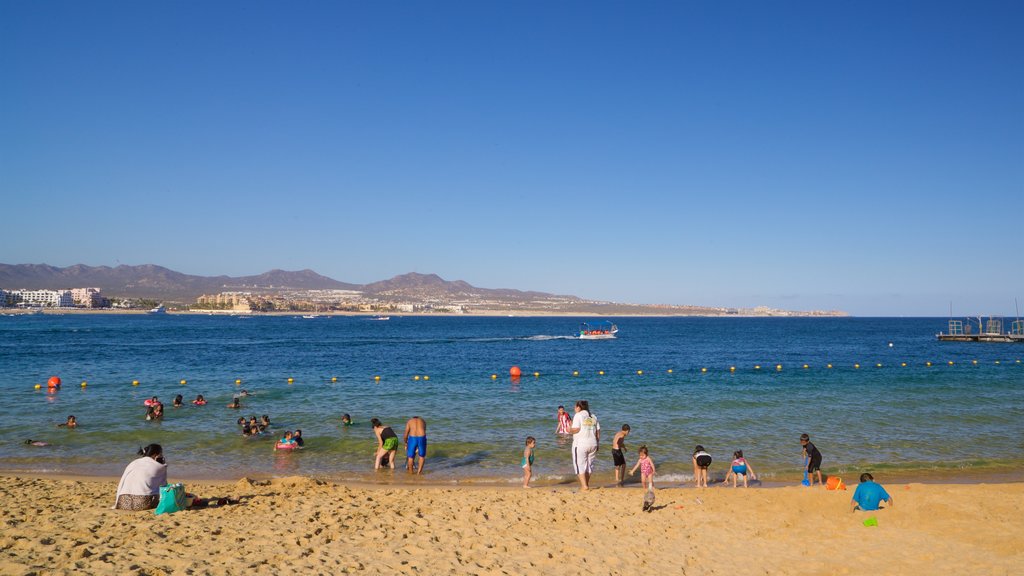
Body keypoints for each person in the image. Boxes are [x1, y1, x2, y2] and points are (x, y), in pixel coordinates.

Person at [114, 444, 167, 510]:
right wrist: (163, 464)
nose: (162, 456)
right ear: (156, 455)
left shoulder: (133, 462)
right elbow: (163, 487)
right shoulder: (160, 466)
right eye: (161, 454)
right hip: (142, 504)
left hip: (123, 503)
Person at [569, 400, 600, 491]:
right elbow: (598, 431)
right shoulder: (593, 416)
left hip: (581, 444)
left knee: (579, 465)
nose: (574, 408)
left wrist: (569, 429)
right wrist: (597, 443)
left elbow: (576, 429)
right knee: (589, 465)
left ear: (579, 407)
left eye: (575, 406)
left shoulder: (578, 415)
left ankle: (584, 486)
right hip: (593, 443)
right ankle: (586, 484)